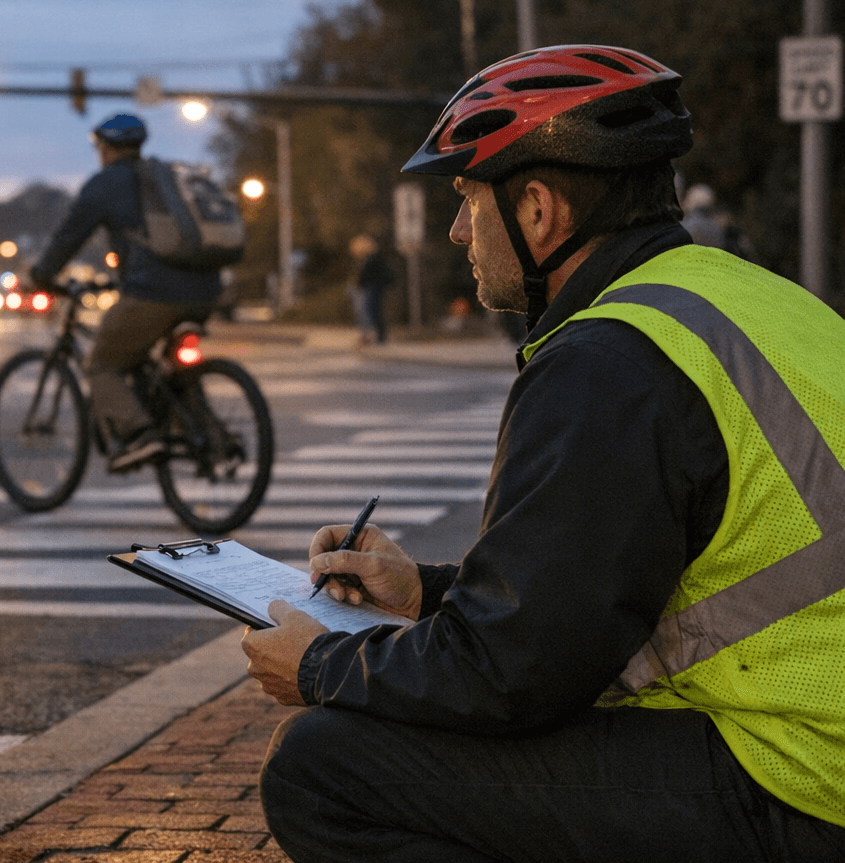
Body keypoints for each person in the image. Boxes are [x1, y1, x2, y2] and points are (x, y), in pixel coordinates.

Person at [240, 44, 845, 861]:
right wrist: (425, 594)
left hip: (803, 779)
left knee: (322, 768)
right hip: (818, 738)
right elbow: (596, 591)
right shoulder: (747, 298)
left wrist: (322, 667)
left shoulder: (608, 360)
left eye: (467, 198)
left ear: (535, 210)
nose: (458, 230)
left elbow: (513, 676)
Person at [29, 113, 223, 472]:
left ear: (105, 148)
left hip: (155, 293)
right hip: (208, 289)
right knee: (166, 371)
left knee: (102, 363)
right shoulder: (166, 180)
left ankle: (140, 435)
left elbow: (69, 236)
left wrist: (41, 276)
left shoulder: (105, 184)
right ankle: (215, 440)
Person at [347, 234, 392, 345]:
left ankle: (373, 336)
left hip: (370, 289)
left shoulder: (373, 259)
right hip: (366, 288)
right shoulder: (366, 259)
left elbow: (367, 275)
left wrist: (360, 283)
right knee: (368, 312)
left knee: (368, 312)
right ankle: (373, 335)